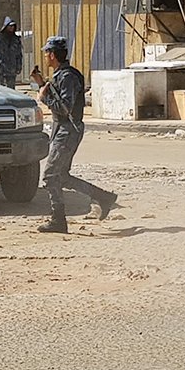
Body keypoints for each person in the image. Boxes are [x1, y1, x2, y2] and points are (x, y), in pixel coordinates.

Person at [31, 35, 116, 234]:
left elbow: (65, 108)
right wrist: (42, 82)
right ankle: (103, 197)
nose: (45, 56)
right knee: (62, 176)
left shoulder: (67, 76)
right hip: (64, 130)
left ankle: (58, 220)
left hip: (68, 130)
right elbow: (59, 97)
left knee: (51, 175)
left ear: (52, 54)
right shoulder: (62, 75)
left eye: (46, 53)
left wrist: (44, 98)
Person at [0, 17, 24, 88]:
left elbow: (19, 54)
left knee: (11, 90)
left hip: (12, 70)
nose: (12, 28)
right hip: (2, 70)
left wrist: (19, 66)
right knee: (2, 89)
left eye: (13, 26)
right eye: (10, 26)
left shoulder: (16, 40)